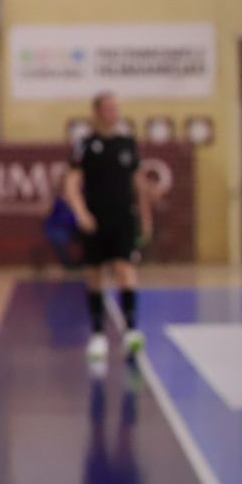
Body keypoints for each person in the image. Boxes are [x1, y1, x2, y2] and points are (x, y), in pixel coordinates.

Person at [64, 91, 153, 361]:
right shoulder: (85, 145)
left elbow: (139, 184)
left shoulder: (127, 143)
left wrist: (146, 219)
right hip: (95, 221)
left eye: (116, 107)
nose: (114, 112)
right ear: (97, 112)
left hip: (123, 219)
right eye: (108, 108)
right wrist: (81, 213)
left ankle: (131, 331)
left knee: (126, 270)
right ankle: (98, 334)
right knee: (95, 276)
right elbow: (70, 184)